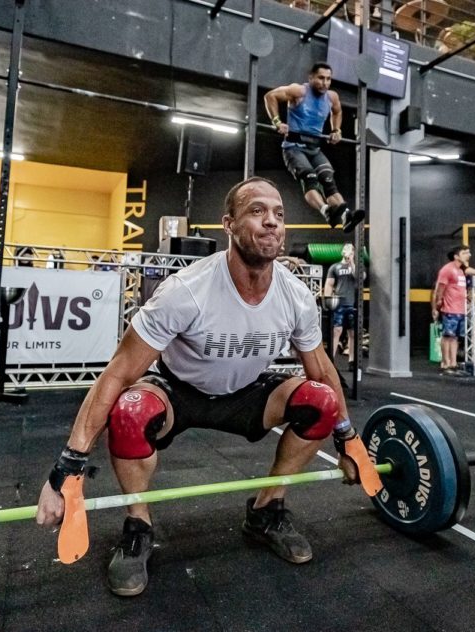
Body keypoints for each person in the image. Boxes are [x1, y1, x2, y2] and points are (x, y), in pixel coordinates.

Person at [35, 177, 367, 597]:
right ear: (229, 224)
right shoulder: (187, 291)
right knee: (130, 410)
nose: (271, 223)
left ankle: (267, 509)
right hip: (179, 391)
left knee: (320, 401)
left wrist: (348, 439)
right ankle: (138, 524)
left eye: (279, 215)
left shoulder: (296, 296)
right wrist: (69, 467)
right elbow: (118, 373)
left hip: (248, 393)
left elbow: (321, 370)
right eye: (257, 211)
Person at [264, 63, 364, 234]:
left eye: (328, 79)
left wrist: (336, 130)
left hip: (314, 148)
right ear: (311, 78)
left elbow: (337, 112)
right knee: (310, 178)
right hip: (293, 147)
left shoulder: (332, 97)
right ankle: (326, 211)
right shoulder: (299, 91)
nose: (325, 82)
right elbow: (270, 96)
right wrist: (277, 122)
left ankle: (346, 216)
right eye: (321, 78)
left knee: (327, 180)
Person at [431, 245, 475, 375]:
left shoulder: (461, 270)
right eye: (465, 253)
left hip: (460, 310)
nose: (469, 255)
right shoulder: (447, 270)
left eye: (469, 252)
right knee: (447, 337)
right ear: (456, 256)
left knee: (455, 338)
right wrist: (435, 308)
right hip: (449, 309)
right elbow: (438, 291)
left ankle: (453, 363)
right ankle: (445, 364)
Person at [323, 243, 358, 368]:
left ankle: (352, 360)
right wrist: (327, 301)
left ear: (353, 252)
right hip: (338, 303)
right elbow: (329, 284)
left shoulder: (356, 267)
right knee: (336, 330)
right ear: (342, 251)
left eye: (350, 249)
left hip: (352, 303)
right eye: (345, 249)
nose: (347, 251)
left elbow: (359, 277)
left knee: (353, 333)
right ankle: (330, 360)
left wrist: (351, 261)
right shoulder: (335, 267)